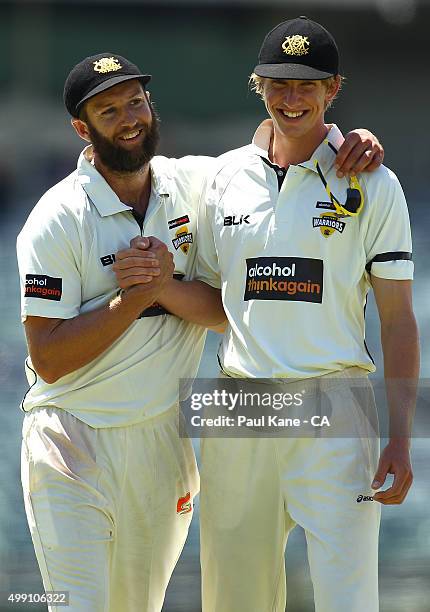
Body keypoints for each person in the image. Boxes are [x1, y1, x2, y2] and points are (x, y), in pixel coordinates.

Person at [17, 51, 382, 611]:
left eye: (135, 101)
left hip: (165, 440)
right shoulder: (57, 217)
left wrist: (349, 141)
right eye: (108, 110)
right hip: (72, 440)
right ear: (81, 128)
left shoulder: (195, 184)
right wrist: (133, 297)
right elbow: (47, 359)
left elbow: (279, 153)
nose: (129, 118)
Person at [114, 17, 419, 612]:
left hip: (336, 404)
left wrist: (401, 435)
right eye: (278, 83)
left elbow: (399, 318)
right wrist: (157, 287)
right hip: (240, 405)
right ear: (257, 84)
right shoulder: (222, 178)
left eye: (308, 85)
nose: (292, 97)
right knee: (234, 601)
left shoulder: (375, 183)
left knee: (349, 600)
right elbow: (220, 305)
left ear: (334, 88)